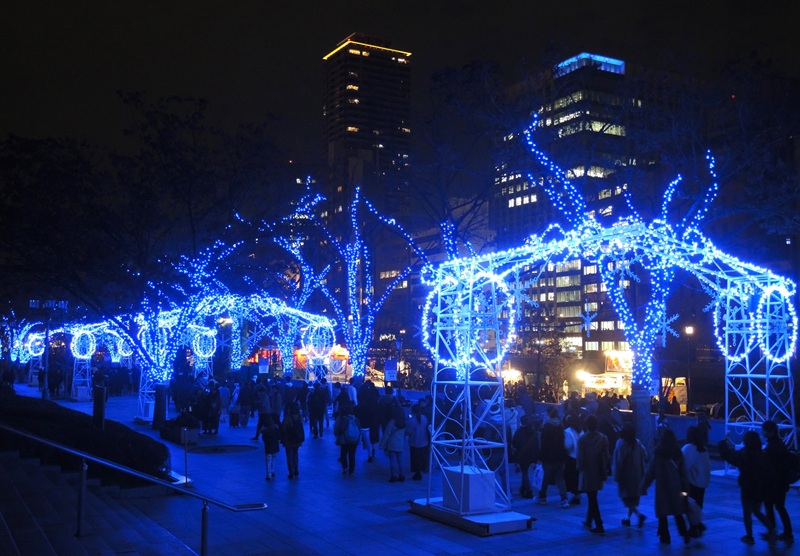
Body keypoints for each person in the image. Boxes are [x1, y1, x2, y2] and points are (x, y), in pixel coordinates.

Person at [718, 431, 776, 545]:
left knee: (747, 512)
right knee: (757, 511)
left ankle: (749, 536)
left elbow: (728, 455)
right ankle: (772, 530)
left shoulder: (743, 454)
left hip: (747, 486)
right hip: (760, 487)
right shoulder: (762, 455)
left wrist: (723, 442)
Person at [642, 428, 691, 545]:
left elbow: (650, 473)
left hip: (662, 488)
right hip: (676, 488)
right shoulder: (678, 454)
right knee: (678, 512)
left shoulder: (658, 454)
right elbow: (683, 473)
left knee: (662, 513)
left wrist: (643, 486)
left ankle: (665, 537)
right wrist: (686, 490)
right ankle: (684, 534)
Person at [761, 420, 793, 543]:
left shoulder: (771, 447)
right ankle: (787, 532)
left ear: (770, 432)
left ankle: (772, 530)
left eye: (764, 430)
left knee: (770, 506)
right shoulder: (779, 444)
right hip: (781, 482)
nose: (763, 432)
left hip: (774, 483)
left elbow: (769, 466)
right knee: (780, 507)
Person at [577, 414, 609, 535]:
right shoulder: (603, 438)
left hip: (587, 471)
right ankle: (589, 520)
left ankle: (599, 524)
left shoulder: (582, 440)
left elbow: (580, 458)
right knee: (593, 495)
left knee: (592, 498)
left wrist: (579, 468)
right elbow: (607, 455)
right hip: (599, 470)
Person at [612, 422, 646, 528]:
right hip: (637, 475)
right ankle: (628, 518)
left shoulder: (621, 444)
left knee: (625, 498)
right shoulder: (637, 443)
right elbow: (645, 454)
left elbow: (618, 462)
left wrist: (616, 475)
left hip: (625, 476)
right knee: (633, 498)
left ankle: (639, 515)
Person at [537, 406, 569, 508]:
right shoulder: (561, 426)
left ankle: (542, 497)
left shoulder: (546, 427)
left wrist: (540, 457)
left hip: (548, 456)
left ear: (548, 415)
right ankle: (564, 498)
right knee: (560, 478)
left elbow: (543, 444)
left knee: (545, 478)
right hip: (559, 455)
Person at [681, 424, 710, 537]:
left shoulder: (689, 448)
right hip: (703, 482)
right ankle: (697, 525)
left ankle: (694, 527)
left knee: (689, 504)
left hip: (692, 482)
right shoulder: (703, 449)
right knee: (698, 504)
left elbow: (684, 466)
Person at [512, 414, 540, 498]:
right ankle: (523, 488)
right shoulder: (533, 431)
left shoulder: (519, 432)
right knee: (525, 472)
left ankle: (528, 491)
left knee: (525, 473)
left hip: (522, 455)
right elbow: (536, 443)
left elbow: (515, 443)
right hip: (531, 455)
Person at [380, 405, 407, 482]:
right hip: (400, 443)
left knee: (392, 460)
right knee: (401, 460)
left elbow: (386, 435)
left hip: (392, 443)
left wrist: (382, 445)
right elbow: (405, 433)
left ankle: (394, 476)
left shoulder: (392, 422)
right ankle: (402, 475)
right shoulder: (404, 423)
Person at [334, 401, 360, 475]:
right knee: (352, 455)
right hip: (354, 440)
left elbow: (339, 430)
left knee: (343, 454)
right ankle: (351, 469)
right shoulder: (356, 419)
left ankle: (345, 467)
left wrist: (338, 434)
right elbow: (359, 429)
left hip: (345, 440)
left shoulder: (342, 419)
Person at [281, 402, 305, 479]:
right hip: (297, 439)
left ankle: (291, 472)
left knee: (289, 455)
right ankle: (296, 469)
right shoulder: (300, 417)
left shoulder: (288, 418)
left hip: (288, 439)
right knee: (295, 454)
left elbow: (283, 428)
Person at [405, 403, 429, 481]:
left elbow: (408, 432)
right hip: (424, 441)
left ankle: (417, 473)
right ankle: (424, 468)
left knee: (415, 459)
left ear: (412, 411)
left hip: (414, 442)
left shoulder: (411, 420)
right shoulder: (424, 418)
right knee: (422, 457)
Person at [563, 415, 582, 505]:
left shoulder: (567, 431)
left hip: (571, 457)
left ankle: (574, 495)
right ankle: (577, 495)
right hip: (580, 456)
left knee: (571, 478)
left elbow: (568, 445)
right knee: (577, 478)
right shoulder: (581, 430)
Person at [261, 414, 280, 480]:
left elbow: (264, 438)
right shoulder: (276, 429)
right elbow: (279, 437)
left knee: (268, 460)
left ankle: (269, 475)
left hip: (268, 448)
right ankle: (272, 471)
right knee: (273, 460)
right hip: (275, 447)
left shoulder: (266, 431)